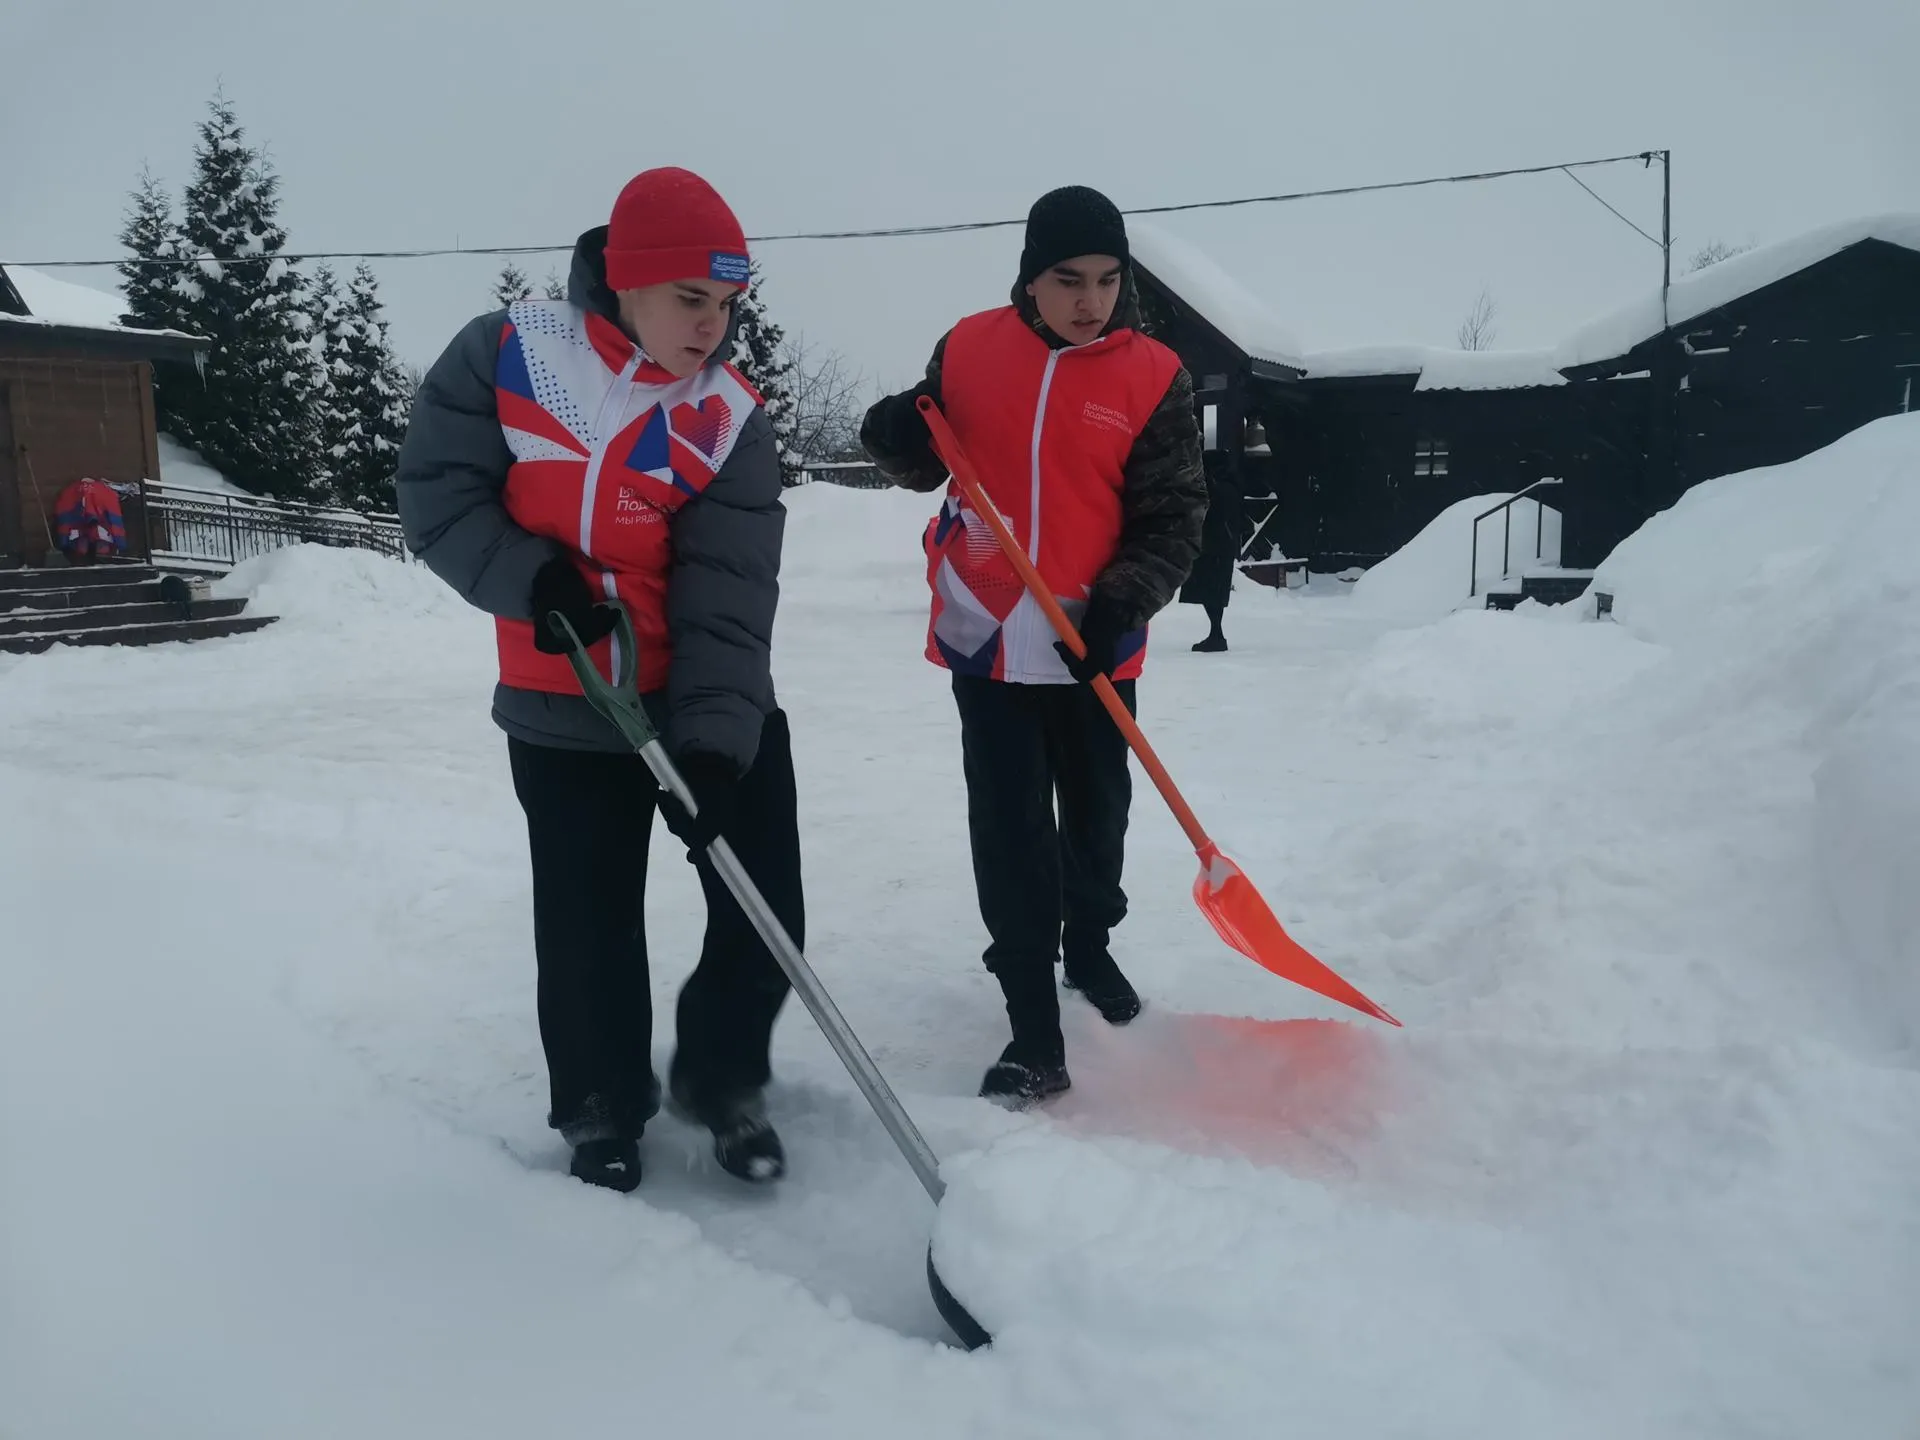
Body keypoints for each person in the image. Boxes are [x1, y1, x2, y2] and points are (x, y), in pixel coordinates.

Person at [394, 167, 803, 1192]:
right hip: (561, 702)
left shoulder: (726, 419)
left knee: (765, 906)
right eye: (690, 300)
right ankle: (600, 1106)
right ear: (626, 283)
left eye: (727, 304)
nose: (712, 328)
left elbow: (728, 594)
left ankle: (720, 1079)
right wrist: (533, 583)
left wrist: (713, 744)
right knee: (588, 926)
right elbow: (438, 496)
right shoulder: (508, 356)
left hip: (701, 696)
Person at [859, 185, 1206, 1106]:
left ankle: (1088, 946)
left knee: (1096, 816)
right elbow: (927, 455)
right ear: (1029, 275)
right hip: (989, 634)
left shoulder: (1154, 374)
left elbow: (1174, 515)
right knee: (1009, 825)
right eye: (1067, 280)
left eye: (1106, 279)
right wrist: (891, 435)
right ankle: (1030, 1024)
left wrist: (1126, 599)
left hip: (1095, 641)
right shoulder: (970, 347)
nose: (1090, 301)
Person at [1180, 451, 1247, 652]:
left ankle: (1216, 634)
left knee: (1211, 592)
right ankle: (1216, 633)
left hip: (1212, 546)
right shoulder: (1231, 485)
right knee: (1215, 593)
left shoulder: (1214, 485)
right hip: (1222, 546)